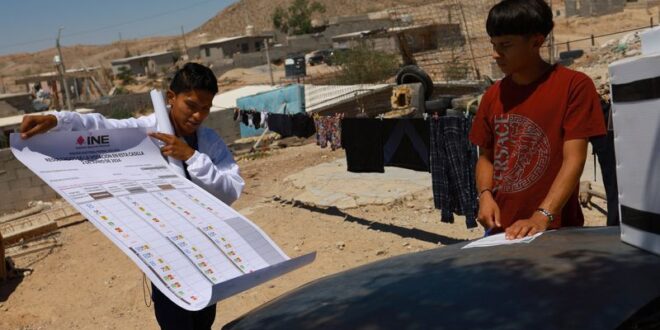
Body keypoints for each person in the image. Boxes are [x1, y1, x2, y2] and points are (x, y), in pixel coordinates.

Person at [20, 62, 244, 330]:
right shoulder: (145, 132)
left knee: (204, 319)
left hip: (206, 248)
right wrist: (58, 121)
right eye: (192, 106)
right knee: (175, 320)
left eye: (205, 109)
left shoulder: (209, 141)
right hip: (166, 253)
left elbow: (230, 191)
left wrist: (192, 157)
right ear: (171, 98)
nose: (198, 116)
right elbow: (100, 127)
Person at [469, 0, 606, 240]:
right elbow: (485, 158)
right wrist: (485, 195)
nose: (495, 54)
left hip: (554, 229)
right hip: (500, 233)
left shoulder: (573, 86)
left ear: (536, 41)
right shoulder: (492, 96)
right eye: (493, 44)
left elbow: (574, 158)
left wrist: (543, 215)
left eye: (505, 45)